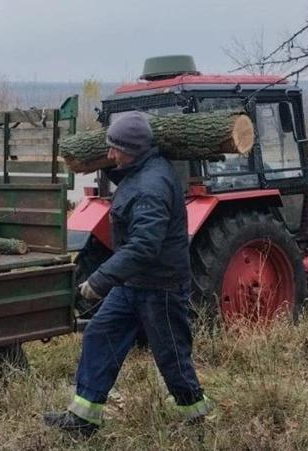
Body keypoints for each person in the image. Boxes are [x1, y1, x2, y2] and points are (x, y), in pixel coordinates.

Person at [44, 111, 210, 438]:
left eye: (114, 149)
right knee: (99, 334)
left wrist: (100, 281)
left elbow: (144, 246)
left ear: (131, 149)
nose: (108, 155)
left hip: (159, 287)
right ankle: (83, 419)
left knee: (171, 356)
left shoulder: (153, 185)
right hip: (132, 283)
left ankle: (197, 419)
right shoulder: (137, 171)